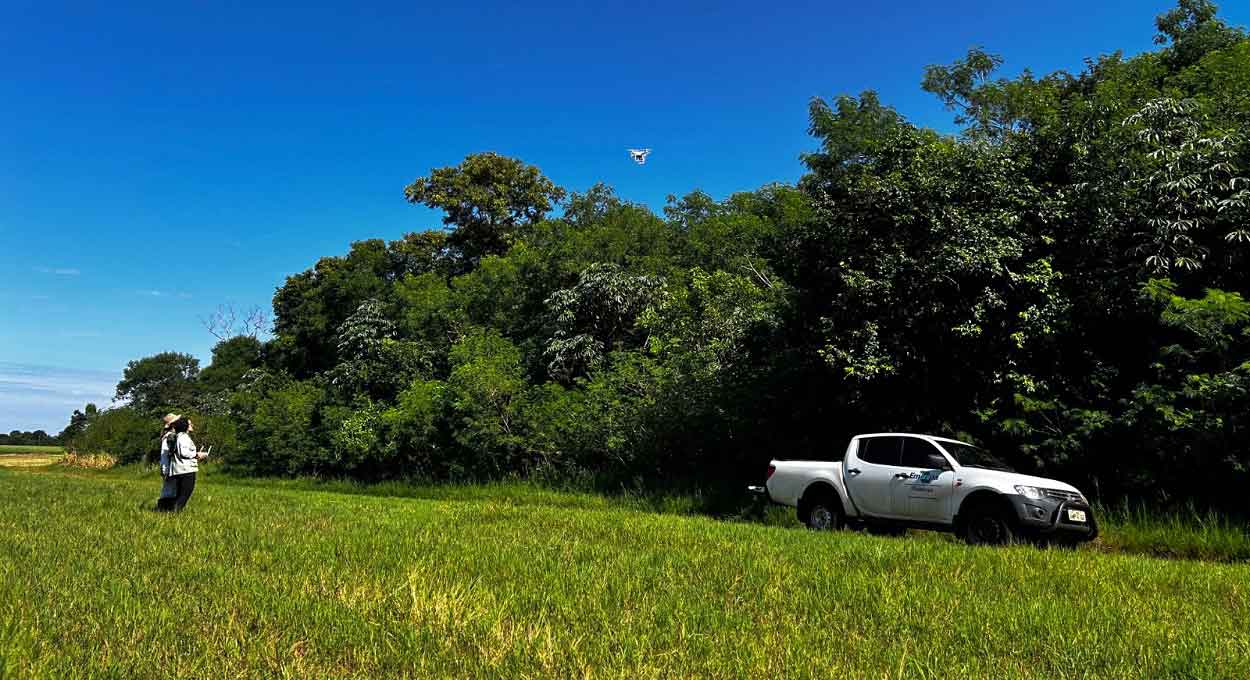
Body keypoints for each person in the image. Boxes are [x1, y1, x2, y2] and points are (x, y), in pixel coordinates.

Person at [160, 416, 206, 512]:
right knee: (185, 494)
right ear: (185, 426)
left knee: (179, 493)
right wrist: (197, 454)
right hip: (186, 470)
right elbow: (183, 453)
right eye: (189, 424)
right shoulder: (183, 437)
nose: (192, 425)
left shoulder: (175, 436)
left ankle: (170, 512)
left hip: (178, 469)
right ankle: (174, 513)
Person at [155, 413, 180, 511]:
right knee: (168, 489)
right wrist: (165, 469)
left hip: (171, 467)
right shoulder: (168, 437)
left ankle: (167, 510)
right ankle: (163, 510)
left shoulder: (171, 436)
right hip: (169, 467)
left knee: (171, 489)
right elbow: (164, 455)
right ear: (173, 424)